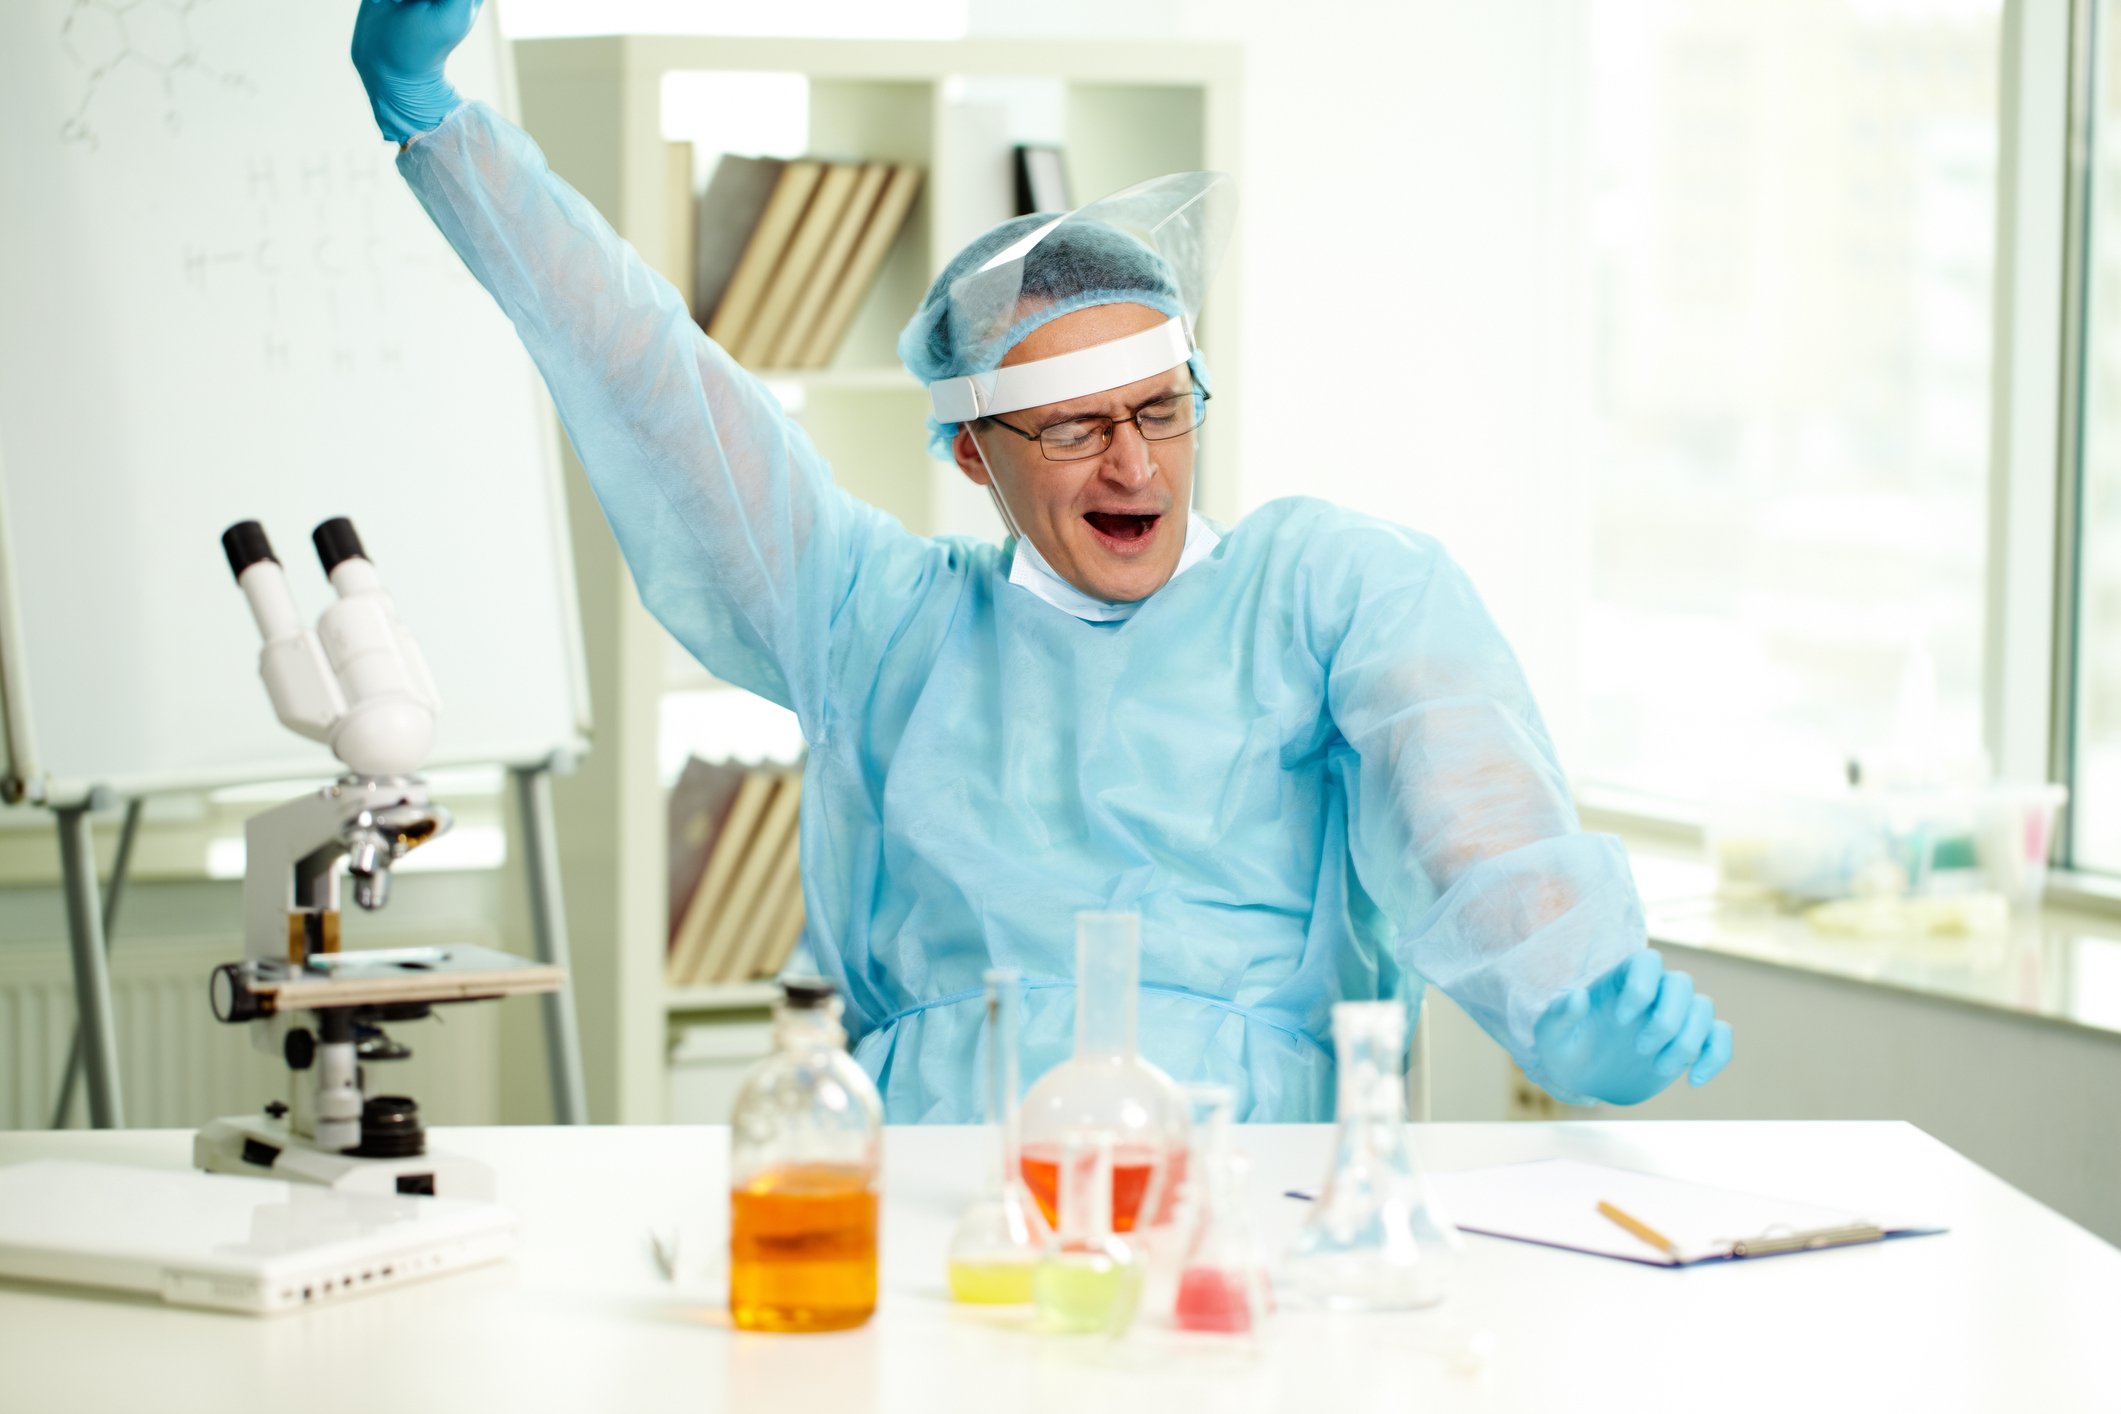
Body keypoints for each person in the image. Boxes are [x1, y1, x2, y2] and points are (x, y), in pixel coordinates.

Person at [352, 0, 1734, 1120]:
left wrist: (1567, 988)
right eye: (1072, 428)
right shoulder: (874, 618)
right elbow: (653, 380)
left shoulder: (1329, 590)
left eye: (1157, 411)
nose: (1131, 464)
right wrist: (449, 130)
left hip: (1233, 1216)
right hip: (927, 1218)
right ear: (972, 455)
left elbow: (1467, 808)